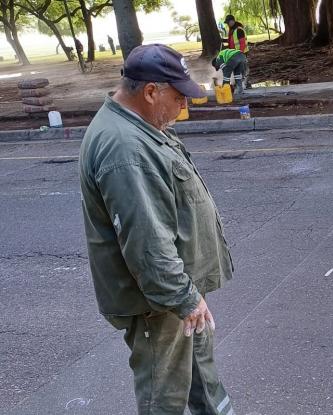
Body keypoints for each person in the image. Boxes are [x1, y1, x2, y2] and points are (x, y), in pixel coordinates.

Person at [79, 44, 235, 415]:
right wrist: (183, 296)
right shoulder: (124, 147)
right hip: (157, 302)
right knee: (162, 397)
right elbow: (146, 240)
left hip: (173, 294)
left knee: (202, 381)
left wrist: (187, 294)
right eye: (179, 96)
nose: (184, 106)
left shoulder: (141, 126)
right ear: (151, 91)